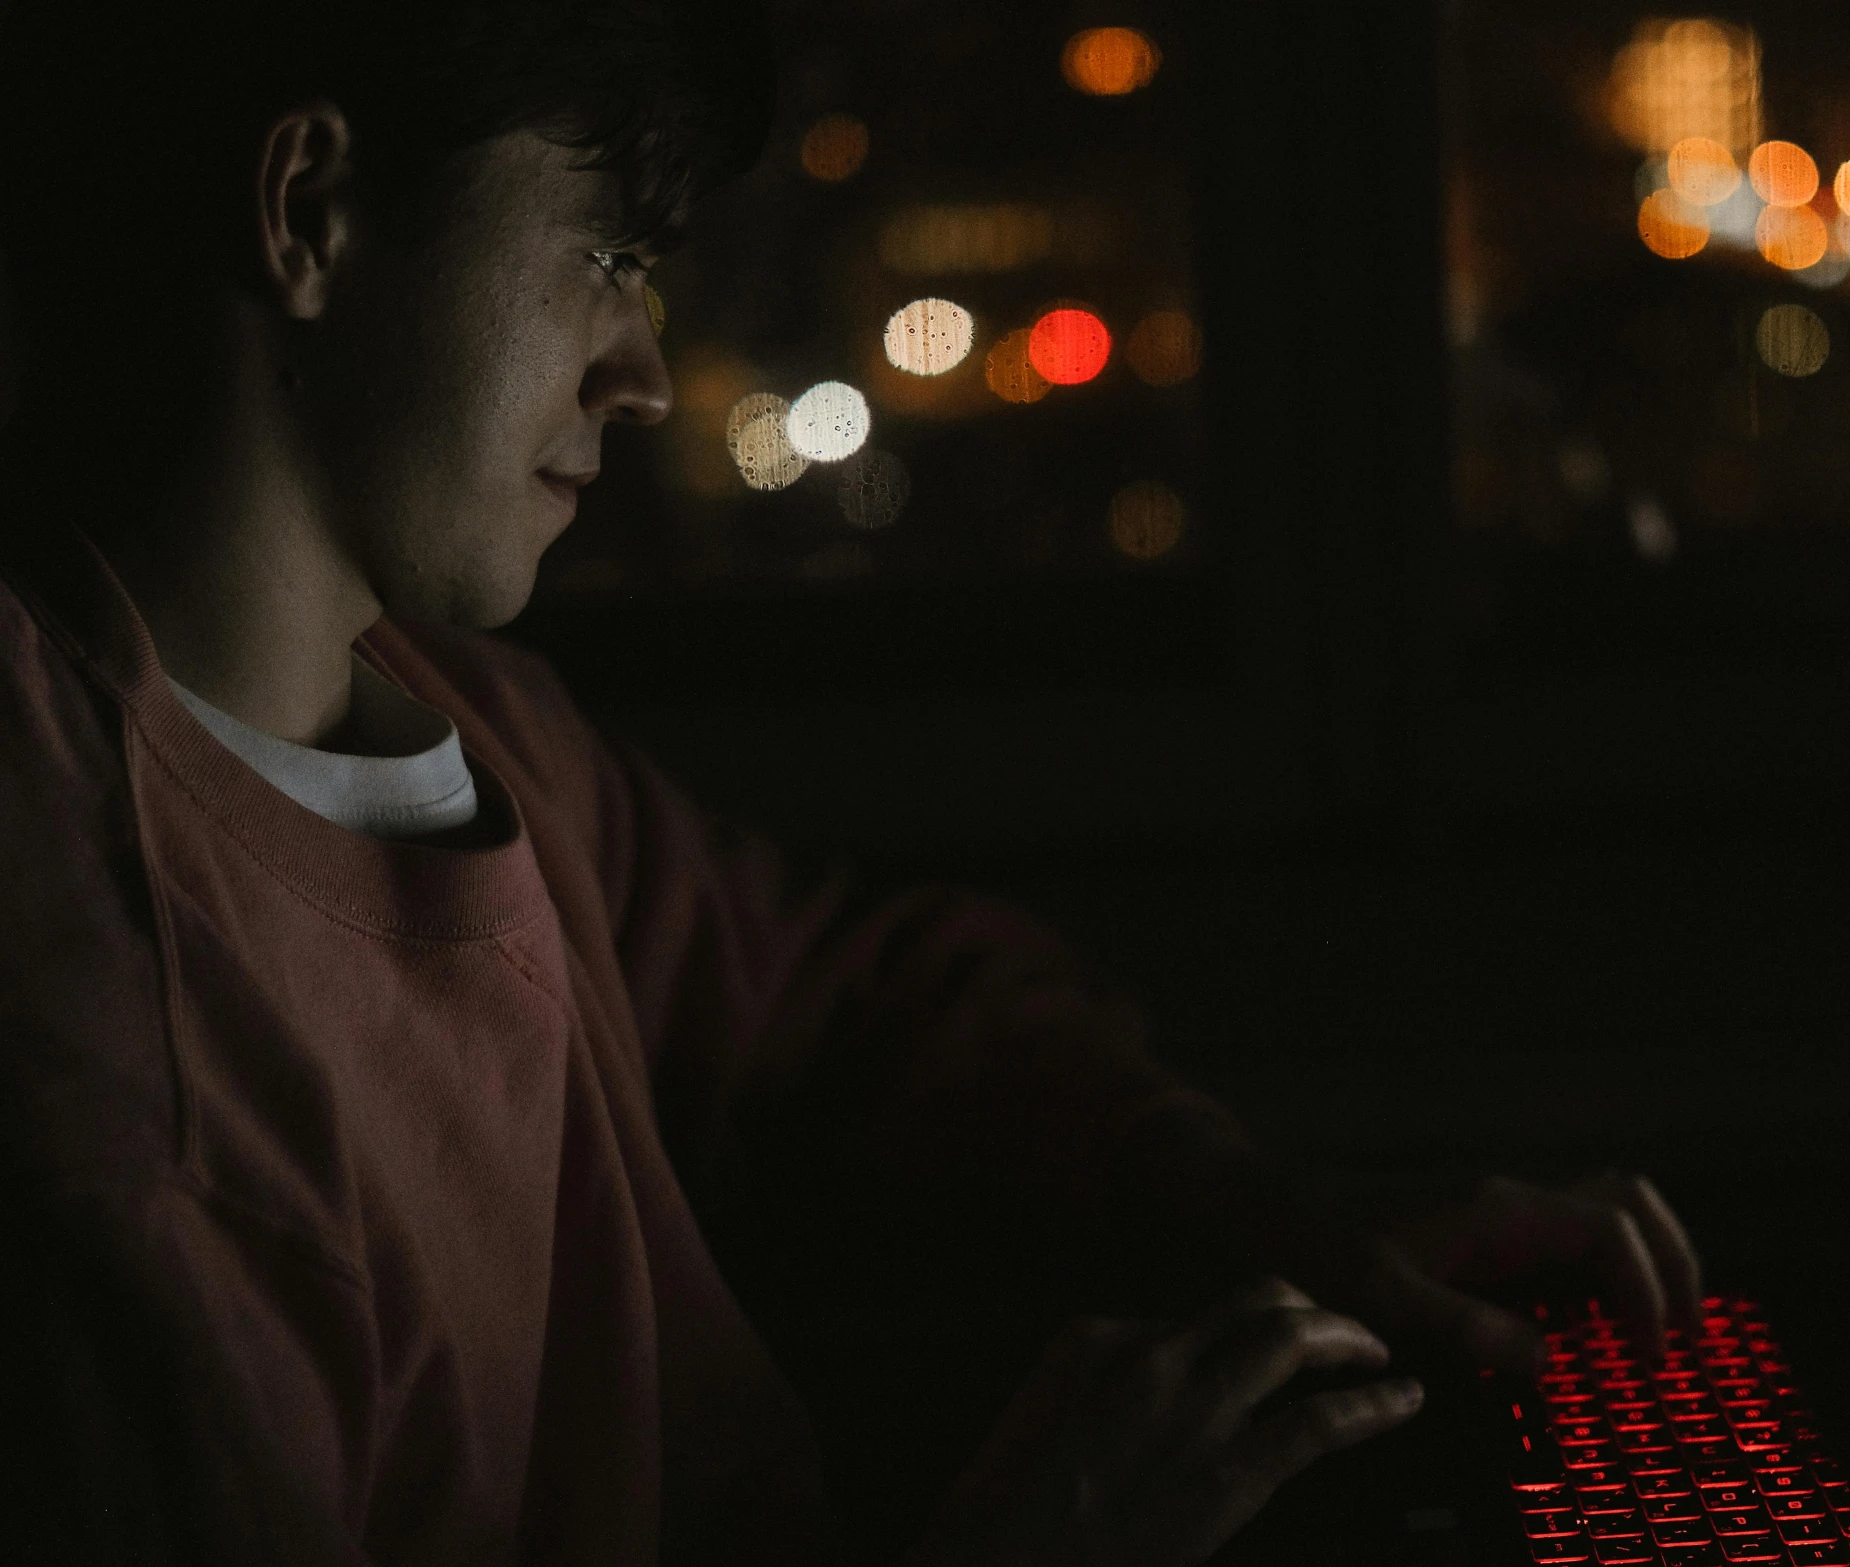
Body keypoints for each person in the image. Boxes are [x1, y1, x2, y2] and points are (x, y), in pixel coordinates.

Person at [0, 3, 1702, 1562]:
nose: (645, 369)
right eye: (602, 251)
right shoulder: (123, 1103)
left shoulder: (453, 717)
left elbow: (859, 991)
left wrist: (1283, 1225)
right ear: (307, 208)